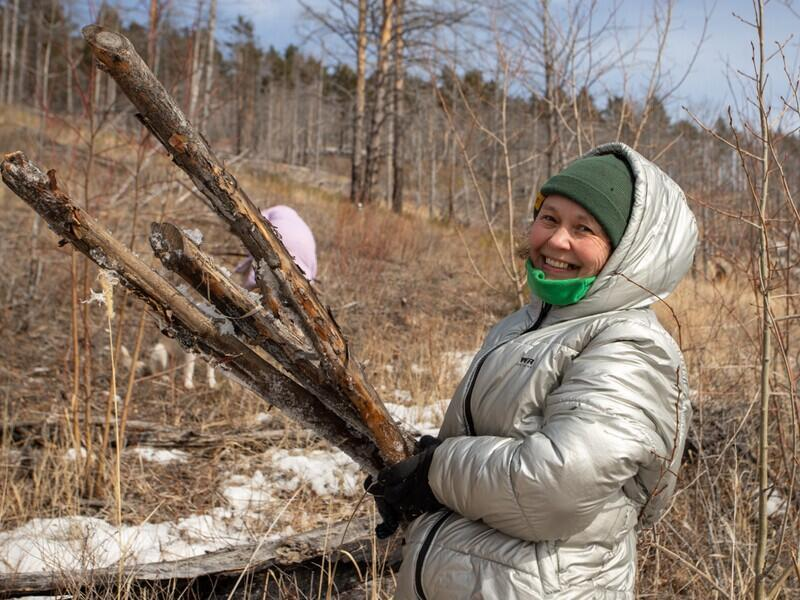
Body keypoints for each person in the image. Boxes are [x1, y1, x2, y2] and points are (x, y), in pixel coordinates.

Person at [366, 142, 697, 599]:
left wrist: (435, 474)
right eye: (550, 218)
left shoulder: (631, 346)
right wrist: (425, 472)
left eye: (584, 229)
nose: (557, 240)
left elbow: (557, 487)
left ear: (626, 253)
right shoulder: (525, 324)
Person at [235, 205, 317, 289]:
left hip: (276, 246)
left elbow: (254, 224)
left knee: (253, 283)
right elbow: (313, 270)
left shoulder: (274, 209)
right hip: (303, 262)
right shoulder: (302, 225)